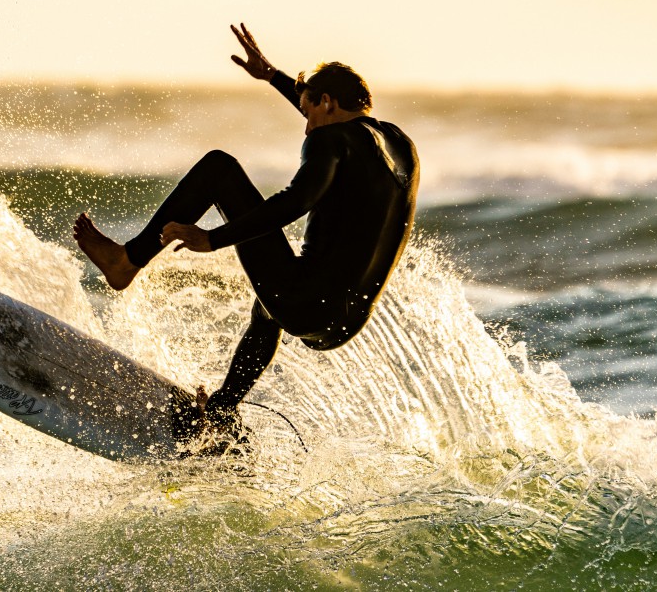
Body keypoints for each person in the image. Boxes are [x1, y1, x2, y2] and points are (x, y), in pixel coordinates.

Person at [74, 23, 419, 440]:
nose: (306, 127)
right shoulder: (399, 146)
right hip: (343, 322)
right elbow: (340, 130)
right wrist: (272, 75)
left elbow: (295, 202)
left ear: (327, 103)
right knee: (267, 305)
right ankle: (220, 411)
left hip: (303, 300)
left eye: (309, 112)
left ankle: (124, 261)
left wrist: (211, 238)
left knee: (219, 168)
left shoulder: (328, 140)